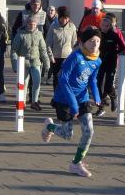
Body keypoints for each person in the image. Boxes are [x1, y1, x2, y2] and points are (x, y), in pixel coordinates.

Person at [40, 26, 102, 178]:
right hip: (64, 98)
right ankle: (49, 126)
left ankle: (76, 163)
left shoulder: (97, 60)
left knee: (89, 131)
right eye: (91, 41)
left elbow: (92, 80)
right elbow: (63, 79)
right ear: (82, 42)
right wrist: (73, 104)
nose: (95, 44)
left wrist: (96, 96)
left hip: (82, 98)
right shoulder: (75, 57)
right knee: (67, 134)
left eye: (98, 41)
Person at [11, 15, 50, 111]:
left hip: (35, 62)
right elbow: (14, 50)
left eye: (34, 24)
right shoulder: (20, 34)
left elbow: (43, 50)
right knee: (24, 83)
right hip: (23, 63)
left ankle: (34, 102)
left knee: (37, 82)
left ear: (36, 25)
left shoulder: (39, 34)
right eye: (30, 24)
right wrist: (15, 65)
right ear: (26, 24)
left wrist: (47, 63)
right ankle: (22, 103)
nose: (32, 26)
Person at [96, 13, 125, 116]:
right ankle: (101, 107)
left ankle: (114, 97)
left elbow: (123, 47)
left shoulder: (114, 35)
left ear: (110, 26)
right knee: (97, 84)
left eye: (106, 26)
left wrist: (118, 53)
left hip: (111, 63)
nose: (104, 28)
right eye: (102, 25)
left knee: (108, 86)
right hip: (99, 63)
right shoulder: (98, 34)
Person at [46, 6, 78, 92]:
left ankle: (65, 96)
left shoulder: (72, 27)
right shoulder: (53, 26)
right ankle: (56, 96)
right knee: (56, 79)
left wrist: (73, 57)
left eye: (66, 18)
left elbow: (74, 44)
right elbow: (48, 43)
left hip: (67, 58)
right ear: (59, 17)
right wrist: (51, 56)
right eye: (63, 18)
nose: (65, 20)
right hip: (55, 58)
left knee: (66, 78)